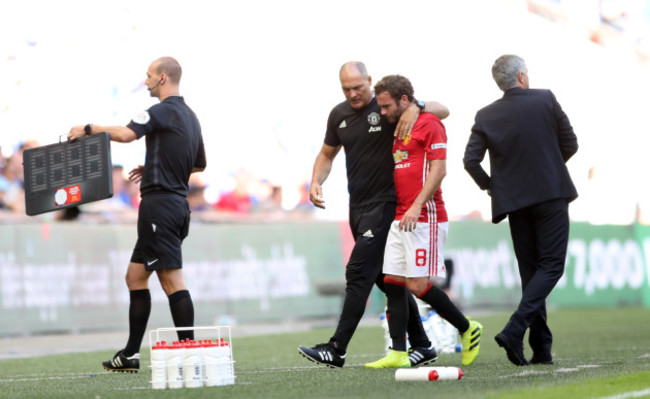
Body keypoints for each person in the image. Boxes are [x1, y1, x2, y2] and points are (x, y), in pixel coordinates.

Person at [297, 61, 450, 368]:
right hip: (358, 207)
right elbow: (327, 154)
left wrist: (417, 106)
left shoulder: (388, 109)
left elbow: (442, 109)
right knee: (386, 279)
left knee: (357, 273)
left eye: (358, 87)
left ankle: (336, 348)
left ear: (369, 80)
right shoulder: (338, 115)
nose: (353, 94)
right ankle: (422, 344)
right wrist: (316, 181)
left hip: (386, 206)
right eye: (346, 89)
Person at [68, 56, 206, 372]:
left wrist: (91, 129)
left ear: (162, 78)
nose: (144, 82)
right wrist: (158, 164)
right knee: (135, 277)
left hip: (160, 207)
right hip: (176, 206)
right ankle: (130, 354)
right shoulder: (192, 117)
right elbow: (199, 163)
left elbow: (128, 134)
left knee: (172, 281)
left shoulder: (160, 111)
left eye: (147, 76)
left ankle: (191, 356)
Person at [463, 54, 578, 366]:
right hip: (550, 194)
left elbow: (470, 162)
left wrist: (493, 186)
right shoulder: (545, 99)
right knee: (551, 266)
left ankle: (541, 349)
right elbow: (571, 143)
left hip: (515, 203)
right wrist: (548, 168)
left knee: (532, 274)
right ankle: (515, 330)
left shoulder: (486, 115)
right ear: (523, 77)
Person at [364, 75, 482, 369]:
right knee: (391, 281)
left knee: (417, 284)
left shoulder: (429, 123)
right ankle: (398, 351)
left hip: (425, 215)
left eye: (387, 105)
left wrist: (417, 205)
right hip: (400, 216)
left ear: (405, 101)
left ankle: (467, 328)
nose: (383, 112)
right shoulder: (396, 125)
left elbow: (439, 170)